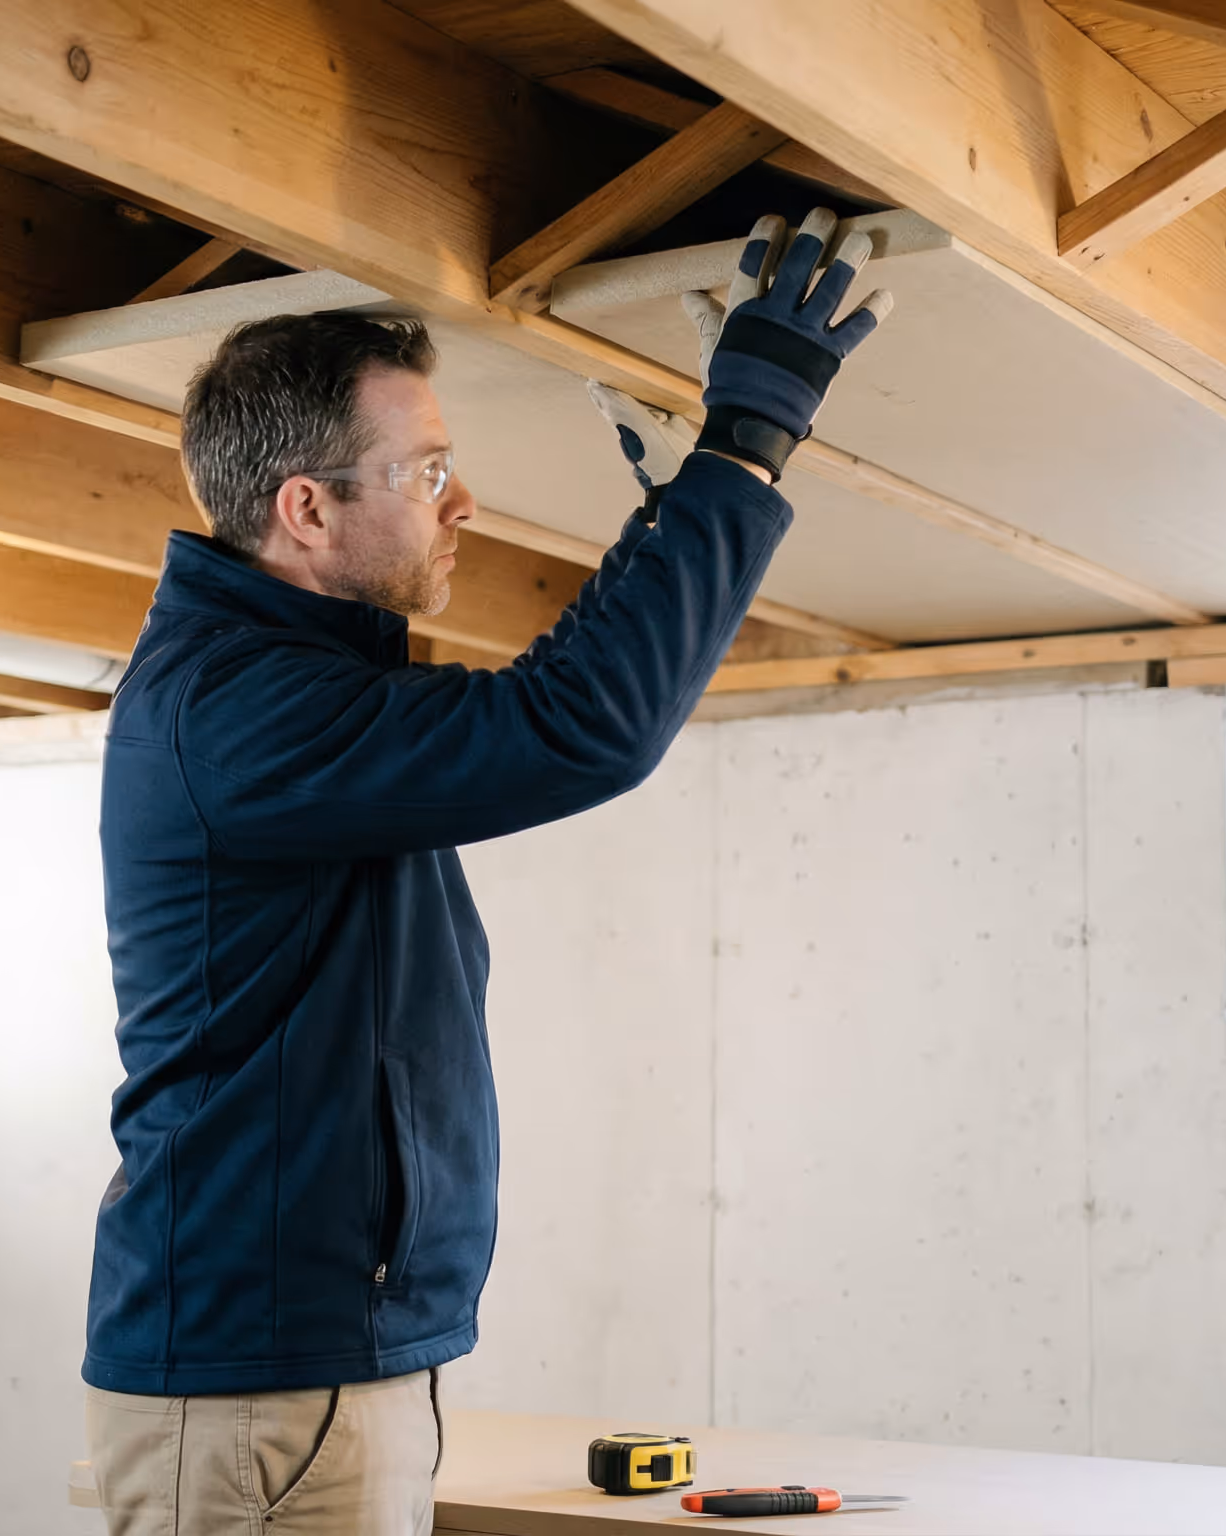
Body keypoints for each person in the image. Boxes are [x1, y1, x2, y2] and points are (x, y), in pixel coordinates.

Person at [83, 210, 892, 1536]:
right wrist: (745, 441)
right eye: (427, 472)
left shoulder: (292, 697)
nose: (463, 504)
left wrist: (685, 503)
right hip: (264, 1386)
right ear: (307, 509)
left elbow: (556, 702)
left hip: (311, 1369)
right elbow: (574, 726)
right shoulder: (238, 713)